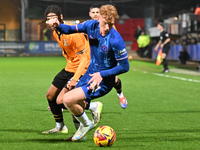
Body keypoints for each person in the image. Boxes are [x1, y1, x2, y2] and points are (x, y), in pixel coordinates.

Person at [48, 4, 129, 141]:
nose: (107, 27)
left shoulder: (116, 40)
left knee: (68, 99)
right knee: (62, 100)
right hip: (89, 74)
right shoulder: (91, 26)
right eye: (105, 23)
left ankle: (86, 124)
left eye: (111, 24)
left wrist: (101, 75)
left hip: (102, 81)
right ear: (99, 18)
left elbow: (125, 67)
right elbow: (69, 29)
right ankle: (91, 112)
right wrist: (57, 25)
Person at [41, 5, 103, 135]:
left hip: (82, 69)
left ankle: (92, 107)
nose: (51, 21)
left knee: (63, 100)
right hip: (69, 68)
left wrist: (75, 79)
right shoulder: (55, 31)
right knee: (50, 96)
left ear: (61, 17)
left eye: (54, 18)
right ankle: (60, 127)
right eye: (48, 18)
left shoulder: (74, 33)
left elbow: (84, 59)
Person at [89, 4, 128, 109]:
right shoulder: (89, 26)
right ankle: (67, 102)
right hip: (91, 59)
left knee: (114, 79)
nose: (95, 14)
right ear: (90, 14)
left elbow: (115, 42)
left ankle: (120, 94)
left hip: (106, 59)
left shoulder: (108, 25)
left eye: (97, 12)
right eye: (93, 12)